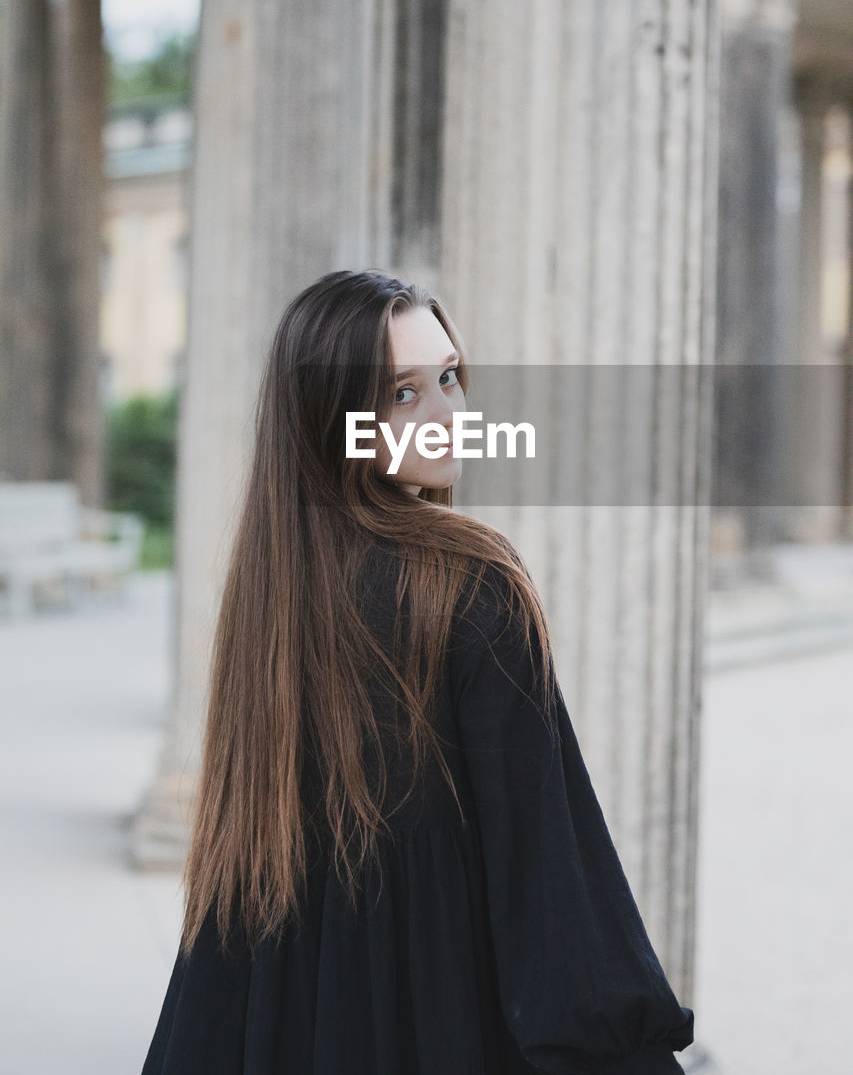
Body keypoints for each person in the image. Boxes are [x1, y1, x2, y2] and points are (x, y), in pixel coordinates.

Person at [141, 269, 695, 1074]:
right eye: (402, 394)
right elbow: (545, 864)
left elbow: (232, 901)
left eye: (446, 378)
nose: (447, 416)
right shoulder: (469, 580)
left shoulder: (270, 594)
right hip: (437, 1014)